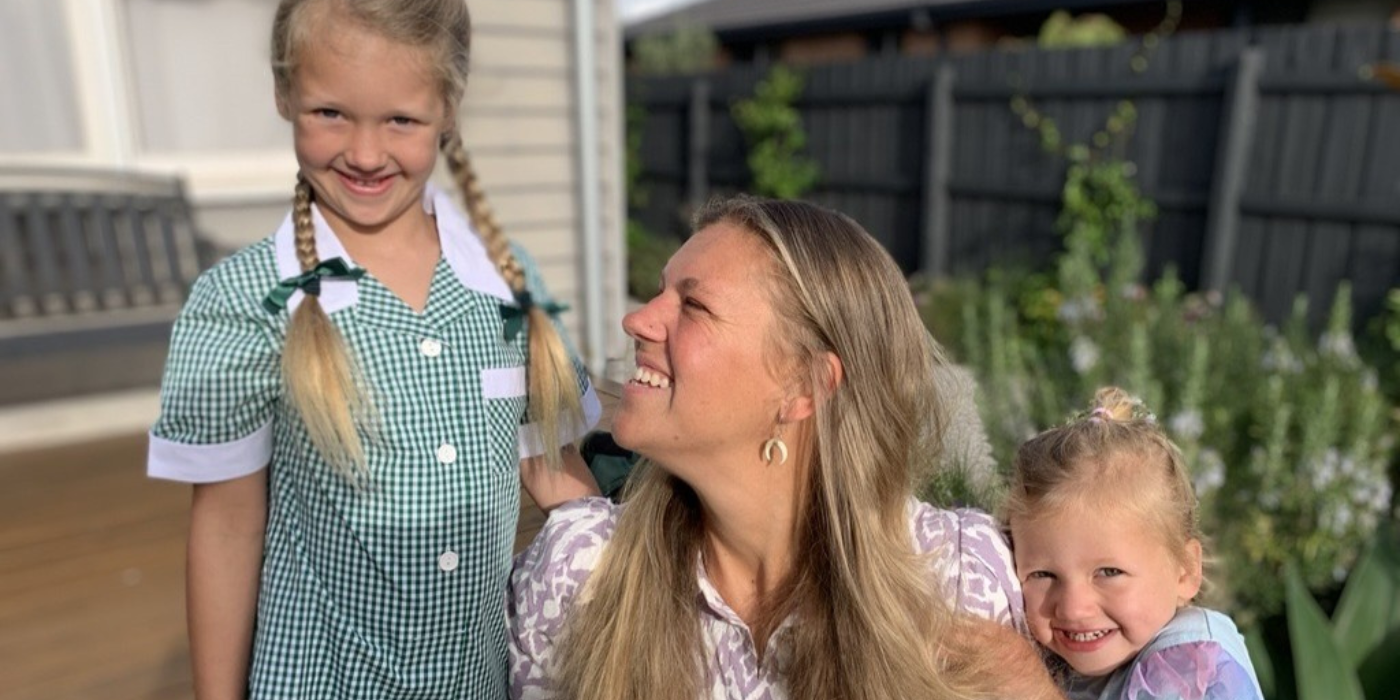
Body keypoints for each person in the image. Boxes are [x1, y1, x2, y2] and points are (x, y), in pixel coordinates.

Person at [145, 1, 601, 697]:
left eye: (401, 121)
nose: (363, 154)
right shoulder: (242, 301)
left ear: (448, 110)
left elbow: (557, 476)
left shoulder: (511, 287)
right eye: (330, 113)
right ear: (284, 93)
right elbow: (227, 526)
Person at [509, 196, 1061, 700]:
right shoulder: (578, 572)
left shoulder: (961, 578)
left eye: (693, 305)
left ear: (804, 387)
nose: (637, 320)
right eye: (660, 292)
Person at [1004, 388, 1264, 700]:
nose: (1073, 608)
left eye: (1109, 572)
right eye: (1043, 575)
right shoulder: (1082, 664)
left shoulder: (1189, 669)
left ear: (1185, 570)